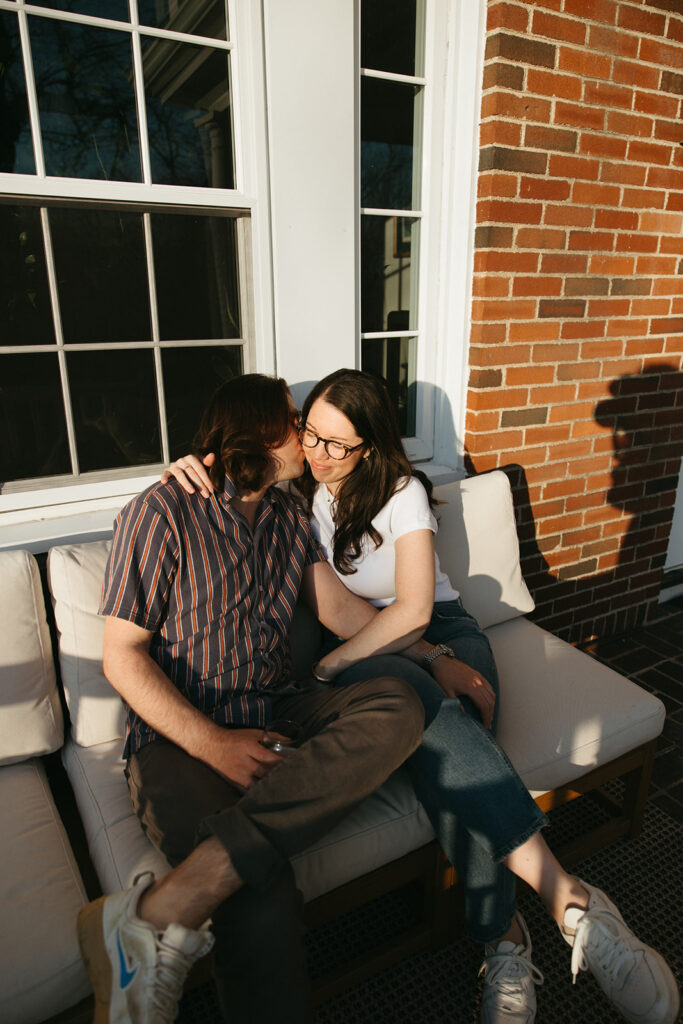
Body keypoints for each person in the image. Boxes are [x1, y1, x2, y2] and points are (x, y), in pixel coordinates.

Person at [168, 368, 679, 1024]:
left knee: (449, 752)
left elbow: (412, 612)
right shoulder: (292, 498)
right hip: (367, 650)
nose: (320, 457)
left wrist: (419, 657)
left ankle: (507, 941)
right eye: (311, 436)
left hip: (438, 632)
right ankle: (563, 909)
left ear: (371, 448)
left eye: (339, 446)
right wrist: (186, 468)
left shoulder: (402, 490)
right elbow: (254, 499)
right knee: (438, 734)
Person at [78, 373, 425, 1024]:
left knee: (399, 705)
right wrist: (213, 743)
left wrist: (433, 654)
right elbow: (121, 656)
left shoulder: (291, 514)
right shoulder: (162, 511)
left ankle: (158, 911)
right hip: (181, 740)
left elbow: (344, 612)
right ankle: (177, 917)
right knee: (259, 898)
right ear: (263, 428)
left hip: (276, 709)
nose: (308, 436)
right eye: (296, 420)